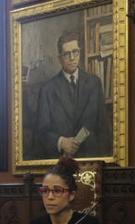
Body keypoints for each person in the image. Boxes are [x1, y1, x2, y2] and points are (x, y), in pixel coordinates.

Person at [34, 31, 111, 159]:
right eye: (66, 54)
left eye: (75, 52)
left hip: (92, 160)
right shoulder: (47, 90)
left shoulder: (94, 83)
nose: (72, 58)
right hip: (61, 163)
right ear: (59, 58)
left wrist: (105, 160)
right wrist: (61, 142)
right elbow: (41, 133)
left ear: (79, 53)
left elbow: (103, 128)